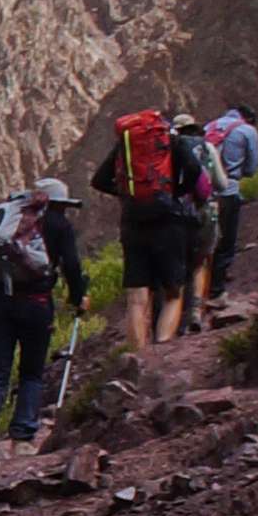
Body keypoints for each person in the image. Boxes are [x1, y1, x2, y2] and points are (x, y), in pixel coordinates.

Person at [0, 177, 84, 443]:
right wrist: (79, 297)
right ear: (59, 204)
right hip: (36, 304)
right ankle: (22, 437)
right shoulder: (59, 225)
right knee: (31, 372)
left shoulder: (5, 220)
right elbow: (72, 267)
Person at [92, 105, 209, 347]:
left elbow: (99, 180)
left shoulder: (125, 147)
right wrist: (176, 192)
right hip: (169, 222)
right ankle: (162, 350)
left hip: (133, 223)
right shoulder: (171, 141)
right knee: (173, 292)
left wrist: (126, 195)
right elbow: (195, 170)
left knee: (136, 296)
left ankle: (137, 355)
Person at [199, 103, 258, 309]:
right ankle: (216, 292)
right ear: (250, 119)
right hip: (228, 191)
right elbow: (252, 168)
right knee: (225, 243)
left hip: (201, 193)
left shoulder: (209, 127)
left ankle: (194, 294)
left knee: (201, 244)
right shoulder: (247, 131)